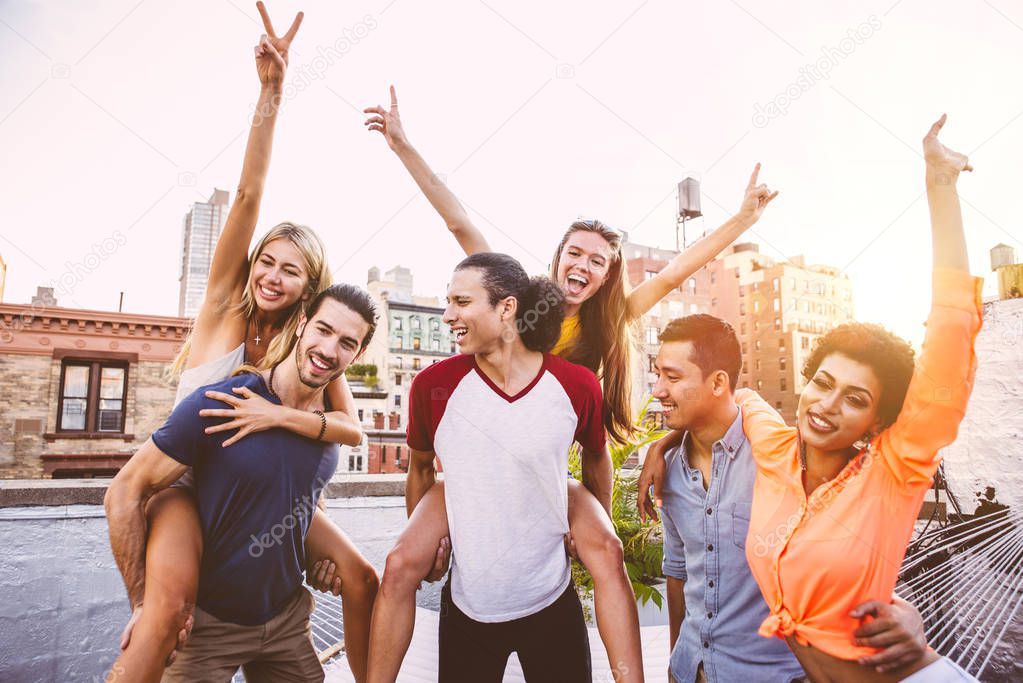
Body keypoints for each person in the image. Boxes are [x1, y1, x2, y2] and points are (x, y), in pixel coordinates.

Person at [362, 86, 778, 680]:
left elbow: (683, 269)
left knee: (605, 548)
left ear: (608, 275)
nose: (583, 267)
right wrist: (403, 143)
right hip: (481, 470)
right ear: (557, 258)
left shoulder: (610, 322)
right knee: (405, 559)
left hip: (545, 473)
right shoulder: (512, 298)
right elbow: (457, 220)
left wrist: (741, 219)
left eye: (598, 262)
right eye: (575, 254)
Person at [641, 116, 982, 682]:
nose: (827, 405)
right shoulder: (774, 447)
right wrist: (667, 438)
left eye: (855, 399)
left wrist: (939, 186)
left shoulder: (893, 473)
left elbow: (950, 335)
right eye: (822, 383)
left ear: (877, 420)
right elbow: (738, 396)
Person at [106, 5, 378, 681]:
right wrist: (270, 95)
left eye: (291, 269)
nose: (272, 275)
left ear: (311, 286)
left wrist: (297, 501)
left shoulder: (308, 346)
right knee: (167, 612)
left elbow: (344, 427)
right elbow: (250, 193)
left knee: (359, 573)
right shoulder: (224, 310)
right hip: (187, 483)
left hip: (260, 496)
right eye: (267, 261)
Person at [105, 285, 378, 682]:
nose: (329, 350)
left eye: (347, 343)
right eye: (323, 330)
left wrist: (316, 557)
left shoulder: (331, 425)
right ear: (301, 323)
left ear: (358, 354)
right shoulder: (222, 402)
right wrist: (142, 602)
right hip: (208, 628)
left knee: (367, 578)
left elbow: (300, 494)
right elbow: (125, 492)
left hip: (286, 622)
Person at [649, 314, 938, 683]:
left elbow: (849, 567)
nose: (657, 389)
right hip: (690, 671)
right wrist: (678, 664)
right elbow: (678, 572)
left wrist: (907, 615)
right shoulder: (668, 470)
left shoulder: (785, 462)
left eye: (672, 378)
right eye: (657, 374)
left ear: (719, 381)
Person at [367, 253, 607, 682]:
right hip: (467, 610)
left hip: (552, 603)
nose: (447, 316)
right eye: (447, 302)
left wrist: (591, 524)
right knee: (398, 564)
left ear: (507, 307)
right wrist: (431, 546)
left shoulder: (576, 385)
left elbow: (596, 454)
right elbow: (420, 468)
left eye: (461, 302)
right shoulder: (432, 387)